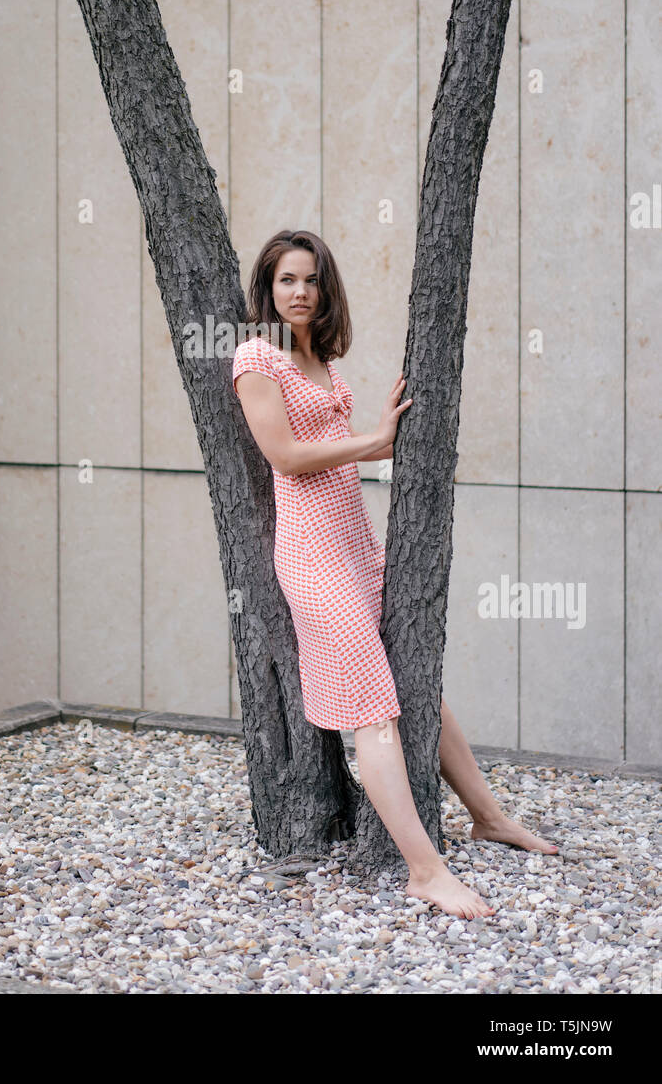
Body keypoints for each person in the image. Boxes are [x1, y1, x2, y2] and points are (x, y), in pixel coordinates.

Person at [231, 229, 558, 921]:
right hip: (313, 559)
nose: (300, 292)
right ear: (267, 287)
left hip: (357, 545)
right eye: (287, 279)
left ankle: (488, 816)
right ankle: (424, 868)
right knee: (373, 713)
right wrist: (376, 441)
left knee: (416, 689)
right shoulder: (255, 358)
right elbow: (285, 458)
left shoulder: (320, 358)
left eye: (311, 280)